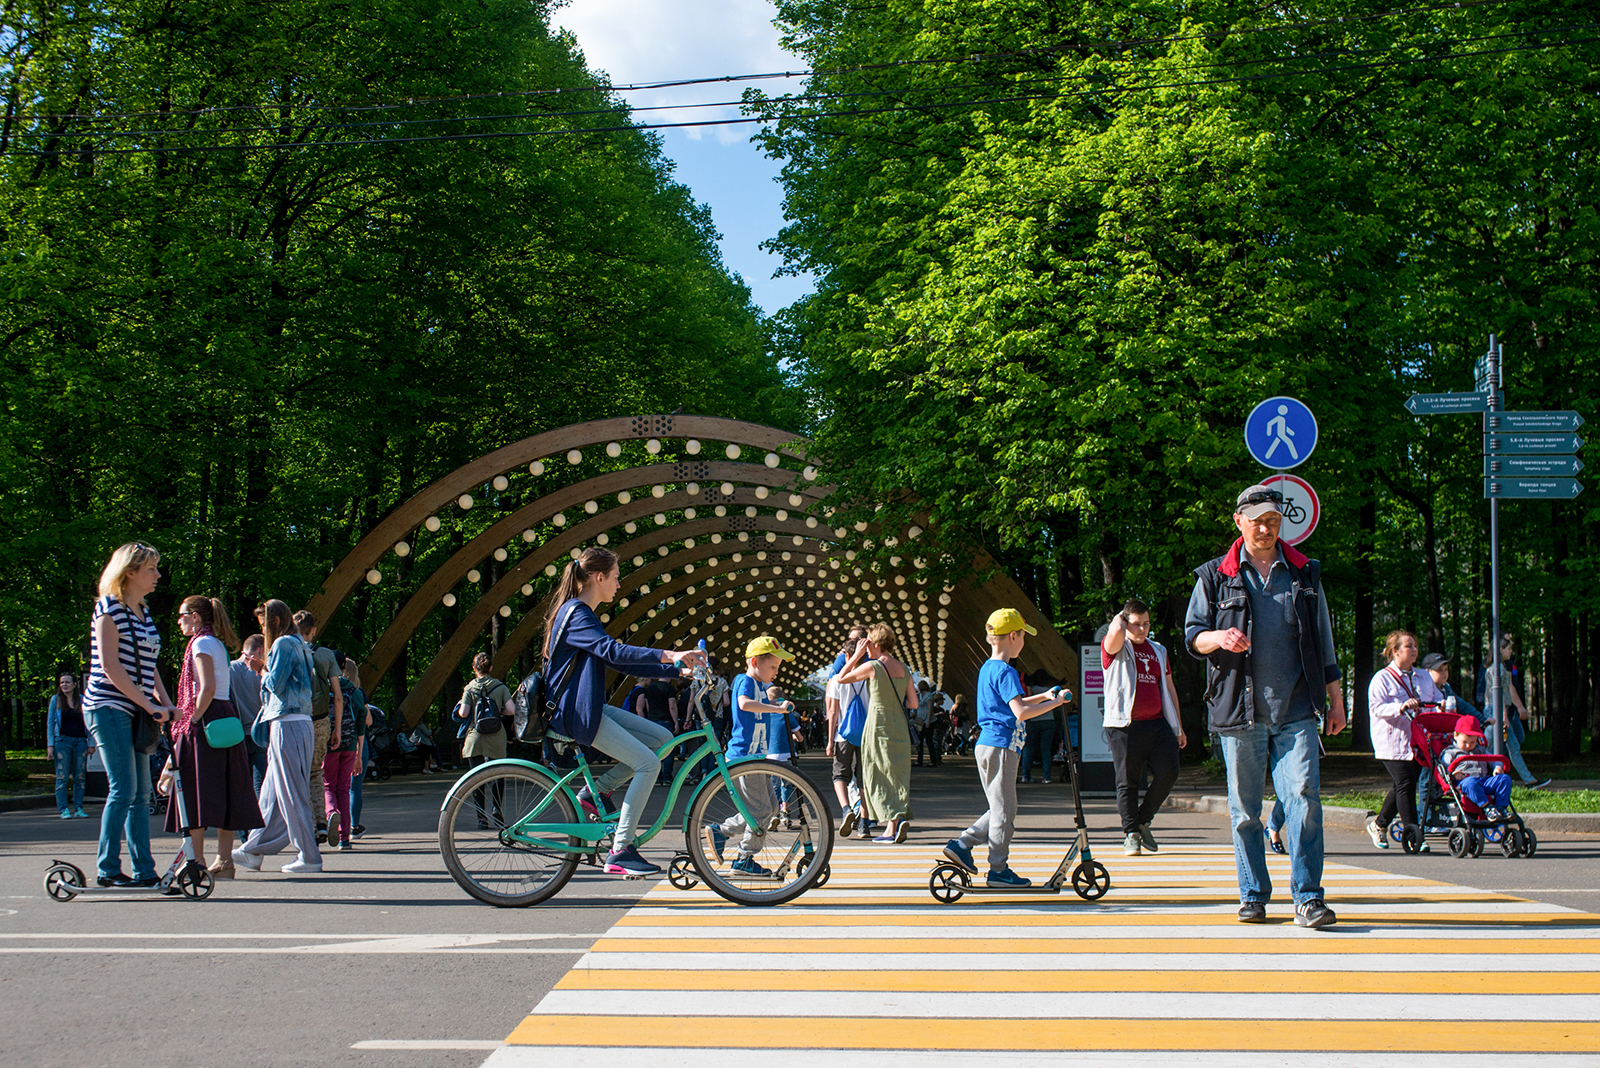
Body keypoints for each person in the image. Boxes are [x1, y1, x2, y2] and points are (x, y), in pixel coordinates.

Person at [1185, 483, 1346, 930]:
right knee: (1245, 812)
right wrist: (1218, 637)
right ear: (1239, 522)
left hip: (1297, 709)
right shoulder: (1215, 576)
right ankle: (1253, 895)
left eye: (1273, 520)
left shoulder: (1304, 574)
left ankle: (1309, 898)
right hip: (1239, 710)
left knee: (1304, 800)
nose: (1265, 527)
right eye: (1256, 520)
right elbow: (1193, 635)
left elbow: (1324, 641)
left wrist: (1336, 698)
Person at [542, 546, 705, 877]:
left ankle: (595, 790)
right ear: (599, 577)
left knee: (662, 737)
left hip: (588, 708)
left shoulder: (579, 613)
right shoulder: (576, 613)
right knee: (648, 764)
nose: (618, 585)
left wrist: (678, 671)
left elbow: (614, 658)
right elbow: (612, 651)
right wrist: (670, 654)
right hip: (577, 713)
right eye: (615, 578)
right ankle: (620, 850)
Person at [941, 609, 1070, 885]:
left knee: (1003, 808)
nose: (1024, 642)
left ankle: (962, 845)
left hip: (988, 745)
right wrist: (1056, 704)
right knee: (1003, 811)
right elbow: (1020, 712)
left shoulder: (989, 668)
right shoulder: (1008, 671)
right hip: (1002, 746)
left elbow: (1013, 704)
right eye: (1023, 636)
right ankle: (998, 869)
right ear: (1013, 636)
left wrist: (1044, 696)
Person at [84, 542, 175, 888]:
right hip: (107, 706)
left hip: (136, 708)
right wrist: (149, 704)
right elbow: (110, 667)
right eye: (151, 569)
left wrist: (165, 704)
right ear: (130, 572)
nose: (157, 575)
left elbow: (148, 666)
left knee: (141, 792)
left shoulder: (143, 611)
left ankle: (144, 870)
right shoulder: (109, 610)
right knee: (123, 789)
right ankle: (107, 869)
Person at [160, 596, 263, 880]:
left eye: (181, 615)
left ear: (195, 616)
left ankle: (198, 861)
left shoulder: (201, 644)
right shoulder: (214, 642)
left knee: (194, 791)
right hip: (223, 716)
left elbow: (205, 688)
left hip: (205, 717)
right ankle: (224, 860)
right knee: (227, 788)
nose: (178, 620)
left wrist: (191, 721)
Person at [234, 599, 323, 874]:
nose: (261, 627)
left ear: (273, 620)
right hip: (296, 722)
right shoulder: (300, 644)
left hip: (287, 723)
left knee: (291, 793)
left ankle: (309, 856)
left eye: (262, 622)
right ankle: (253, 850)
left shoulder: (283, 644)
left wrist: (260, 667)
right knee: (272, 794)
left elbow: (274, 684)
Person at [1101, 598, 1187, 856]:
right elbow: (1115, 631)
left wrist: (1178, 726)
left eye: (1146, 624)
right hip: (1124, 726)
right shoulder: (1115, 647)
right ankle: (1131, 834)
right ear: (1125, 623)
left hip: (1157, 723)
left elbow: (1169, 688)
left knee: (1169, 772)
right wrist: (1122, 616)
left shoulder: (1158, 650)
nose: (1142, 629)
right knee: (1127, 781)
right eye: (1136, 624)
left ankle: (1142, 820)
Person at [707, 636, 799, 873]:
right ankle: (744, 858)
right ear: (755, 662)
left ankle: (721, 832)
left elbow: (762, 699)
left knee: (771, 808)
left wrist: (780, 703)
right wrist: (776, 708)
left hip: (756, 759)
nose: (776, 672)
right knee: (760, 811)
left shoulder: (760, 686)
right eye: (773, 667)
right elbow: (744, 704)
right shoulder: (745, 681)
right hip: (744, 758)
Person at [836, 622, 919, 844]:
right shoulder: (905, 669)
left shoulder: (873, 667)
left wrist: (855, 656)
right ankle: (896, 821)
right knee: (897, 773)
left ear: (873, 643)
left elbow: (841, 678)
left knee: (878, 774)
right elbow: (913, 702)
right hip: (899, 725)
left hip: (877, 724)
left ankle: (891, 826)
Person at [1365, 629, 1442, 851]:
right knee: (1406, 783)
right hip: (1392, 741)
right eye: (1409, 646)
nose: (1414, 650)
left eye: (1415, 646)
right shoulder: (1382, 678)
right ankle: (1413, 833)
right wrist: (1400, 706)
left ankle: (1379, 825)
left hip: (1418, 741)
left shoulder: (1424, 676)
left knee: (1401, 785)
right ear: (1395, 651)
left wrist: (1442, 706)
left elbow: (1436, 699)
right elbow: (1376, 708)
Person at [293, 610, 343, 842]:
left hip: (295, 721)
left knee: (296, 774)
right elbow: (338, 696)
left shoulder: (289, 651)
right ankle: (321, 823)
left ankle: (304, 823)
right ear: (313, 630)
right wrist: (337, 729)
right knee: (316, 773)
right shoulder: (325, 655)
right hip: (321, 721)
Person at [1479, 634, 1550, 789]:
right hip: (1495, 712)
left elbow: (1505, 692)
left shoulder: (1501, 667)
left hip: (1497, 711)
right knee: (1485, 747)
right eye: (1509, 648)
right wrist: (1503, 715)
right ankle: (1480, 776)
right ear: (1500, 649)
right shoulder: (1495, 669)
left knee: (1510, 746)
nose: (1511, 651)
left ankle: (1528, 780)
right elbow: (1497, 695)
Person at [454, 652, 514, 830]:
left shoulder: (469, 688)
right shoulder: (500, 687)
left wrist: (460, 706)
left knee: (476, 777)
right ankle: (497, 809)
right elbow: (512, 710)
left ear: (474, 669)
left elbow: (463, 713)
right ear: (491, 668)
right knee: (498, 775)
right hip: (496, 735)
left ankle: (481, 818)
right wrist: (501, 711)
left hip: (475, 736)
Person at [826, 634, 873, 836]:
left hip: (842, 735)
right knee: (864, 779)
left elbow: (833, 712)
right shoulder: (870, 676)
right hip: (866, 735)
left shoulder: (838, 679)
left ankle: (846, 809)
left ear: (847, 656)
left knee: (840, 775)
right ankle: (864, 823)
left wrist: (829, 741)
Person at [1439, 714, 1514, 820]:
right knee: (1470, 782)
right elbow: (1444, 768)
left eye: (1472, 742)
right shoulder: (1450, 752)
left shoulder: (1480, 750)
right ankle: (1488, 808)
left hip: (1484, 781)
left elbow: (1493, 759)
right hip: (1465, 783)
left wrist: (1497, 767)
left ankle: (1501, 808)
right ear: (1455, 735)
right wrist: (1453, 775)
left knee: (1505, 779)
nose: (1468, 746)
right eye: (1465, 742)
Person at [47, 672, 93, 819]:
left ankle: (79, 808)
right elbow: (50, 723)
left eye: (67, 682)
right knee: (62, 777)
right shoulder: (56, 700)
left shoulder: (82, 700)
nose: (64, 685)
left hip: (80, 741)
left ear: (74, 684)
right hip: (62, 741)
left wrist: (91, 743)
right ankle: (63, 809)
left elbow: (89, 723)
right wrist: (50, 745)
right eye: (62, 683)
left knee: (80, 777)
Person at [229, 635, 269, 795]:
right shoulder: (262, 671)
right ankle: (262, 819)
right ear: (260, 650)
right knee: (261, 785)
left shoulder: (229, 669)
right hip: (261, 735)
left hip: (238, 735)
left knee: (240, 785)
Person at [636, 677, 680, 783]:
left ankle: (657, 776)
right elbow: (672, 706)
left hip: (653, 721)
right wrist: (676, 722)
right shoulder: (670, 688)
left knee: (656, 749)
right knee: (668, 750)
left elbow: (647, 706)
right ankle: (667, 777)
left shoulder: (649, 688)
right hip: (666, 721)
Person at [1019, 670, 1059, 784]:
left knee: (1028, 748)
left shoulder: (1031, 690)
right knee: (1045, 750)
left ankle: (1026, 776)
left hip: (1033, 721)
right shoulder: (1049, 690)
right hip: (1048, 722)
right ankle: (1047, 777)